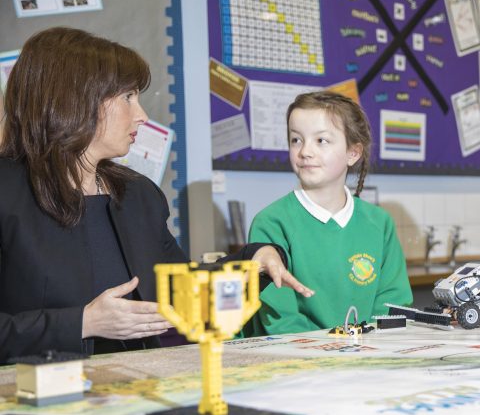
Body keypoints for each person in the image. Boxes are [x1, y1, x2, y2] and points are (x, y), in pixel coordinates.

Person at [0, 27, 311, 364]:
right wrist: (82, 323)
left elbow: (178, 289)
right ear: (74, 98)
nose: (142, 116)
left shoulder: (138, 195)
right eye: (128, 97)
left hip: (135, 393)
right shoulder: (8, 192)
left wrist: (253, 262)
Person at [245, 91, 412, 336]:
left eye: (321, 141)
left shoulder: (379, 222)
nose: (305, 152)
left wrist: (372, 348)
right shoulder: (271, 223)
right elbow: (280, 318)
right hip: (299, 363)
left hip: (369, 361)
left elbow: (392, 305)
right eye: (296, 140)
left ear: (353, 153)